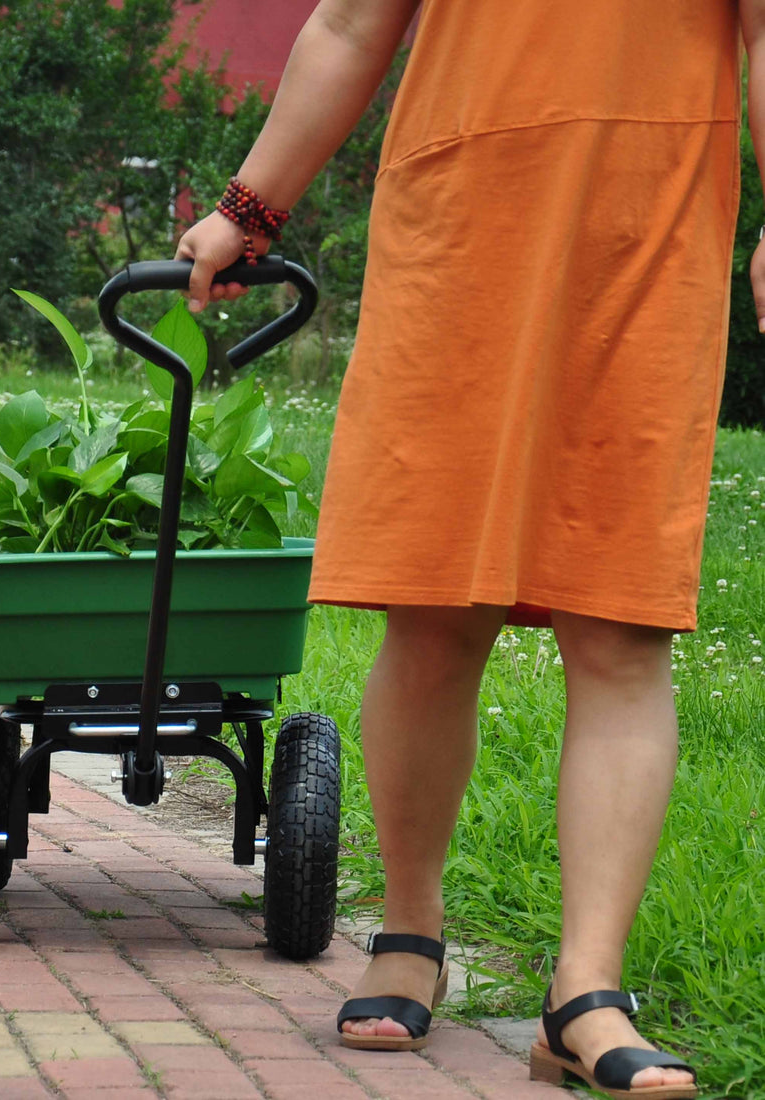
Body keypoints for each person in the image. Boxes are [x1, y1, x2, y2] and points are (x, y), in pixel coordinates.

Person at [176, 2, 765, 1098]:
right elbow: (350, 25)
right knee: (434, 608)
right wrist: (246, 211)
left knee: (620, 621)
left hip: (646, 242)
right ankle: (408, 930)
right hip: (462, 235)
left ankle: (585, 989)